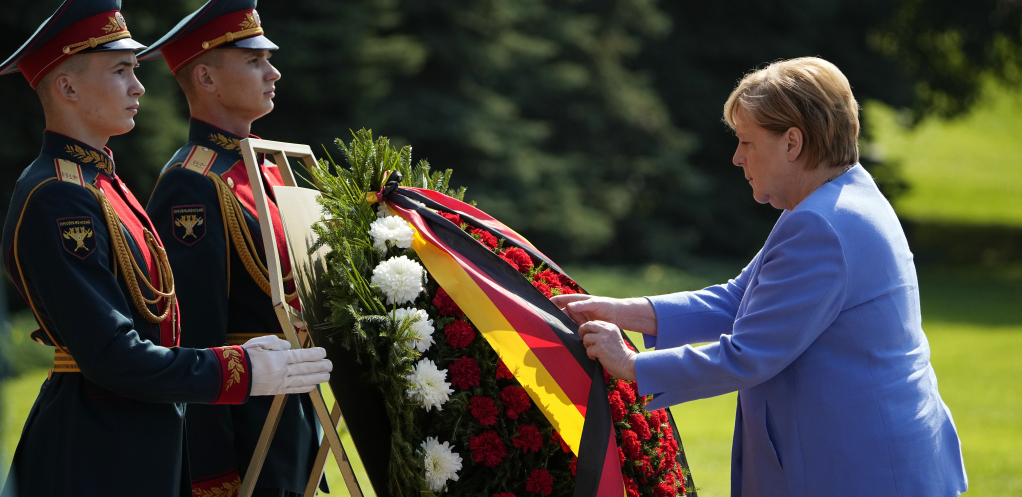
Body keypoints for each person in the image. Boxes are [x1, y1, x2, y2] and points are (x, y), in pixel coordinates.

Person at [552, 57, 968, 497]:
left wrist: (633, 366)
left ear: (792, 142)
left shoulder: (822, 223)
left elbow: (750, 355)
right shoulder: (832, 202)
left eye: (747, 142)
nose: (736, 157)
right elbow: (738, 299)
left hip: (862, 471)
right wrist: (620, 311)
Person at [0, 1, 331, 496]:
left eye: (134, 69)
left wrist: (240, 352)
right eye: (120, 71)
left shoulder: (99, 183)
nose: (139, 87)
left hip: (140, 437)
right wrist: (237, 368)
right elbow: (112, 354)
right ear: (67, 87)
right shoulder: (59, 195)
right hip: (97, 448)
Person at [138, 1, 320, 495]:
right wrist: (212, 470)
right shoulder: (192, 184)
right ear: (207, 79)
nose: (274, 71)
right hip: (245, 425)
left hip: (293, 407)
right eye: (254, 60)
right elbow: (195, 333)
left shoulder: (265, 167)